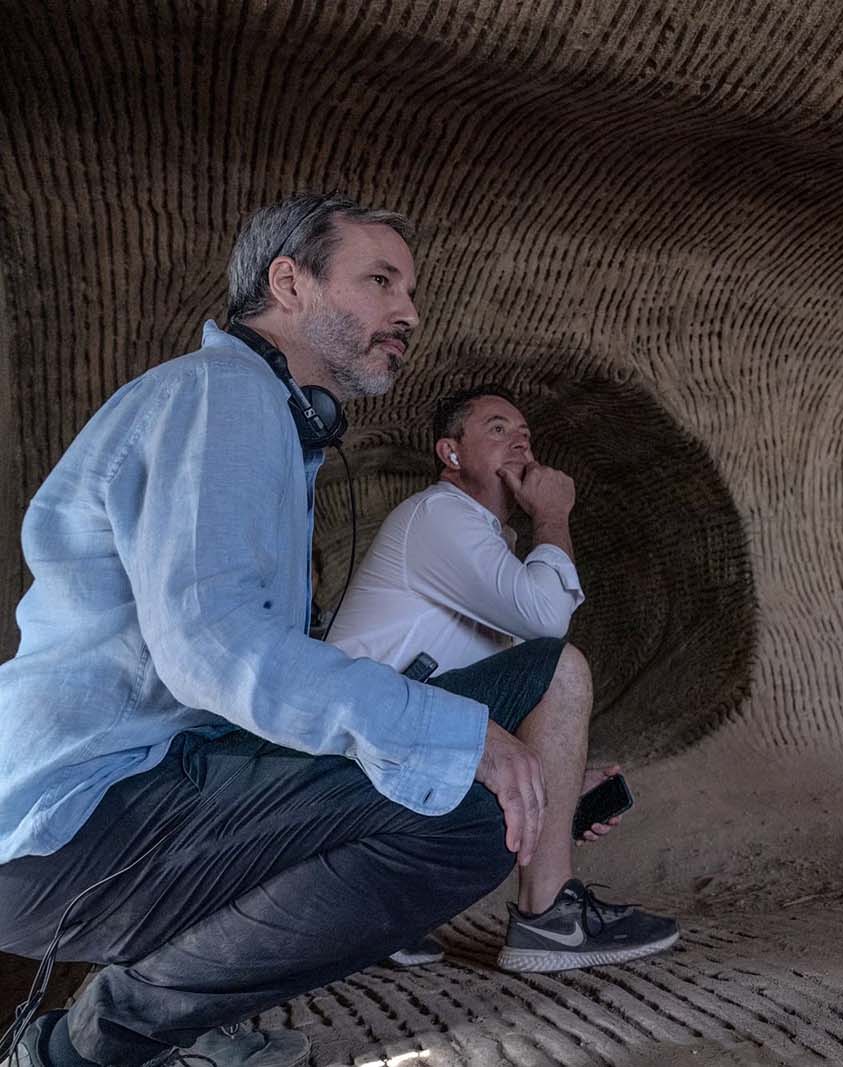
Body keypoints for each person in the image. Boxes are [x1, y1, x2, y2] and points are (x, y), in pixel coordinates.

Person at [0, 194, 547, 1067]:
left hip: (112, 803)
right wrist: (460, 741)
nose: (406, 311)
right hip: (82, 819)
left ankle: (177, 1022)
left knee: (457, 748)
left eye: (410, 289)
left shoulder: (255, 413)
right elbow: (211, 650)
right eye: (379, 280)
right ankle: (88, 1046)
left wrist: (504, 750)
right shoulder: (224, 397)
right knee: (462, 811)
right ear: (287, 283)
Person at [326, 385, 679, 972]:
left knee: (540, 719)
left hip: (394, 753)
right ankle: (550, 921)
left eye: (525, 433)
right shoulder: (439, 514)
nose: (520, 438)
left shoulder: (490, 549)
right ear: (451, 453)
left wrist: (563, 783)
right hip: (354, 757)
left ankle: (370, 910)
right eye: (496, 428)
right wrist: (554, 515)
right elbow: (547, 624)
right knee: (561, 667)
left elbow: (515, 706)